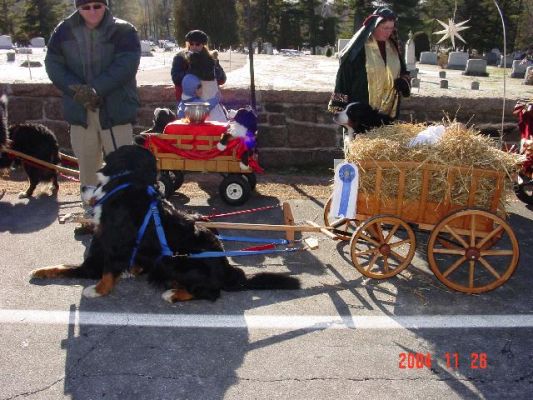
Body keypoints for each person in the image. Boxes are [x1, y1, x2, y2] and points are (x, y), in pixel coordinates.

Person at [45, 0, 141, 192]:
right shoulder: (63, 31)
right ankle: (90, 215)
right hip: (81, 112)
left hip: (115, 110)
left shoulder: (124, 30)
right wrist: (79, 91)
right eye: (86, 7)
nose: (92, 11)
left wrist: (96, 89)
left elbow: (126, 66)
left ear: (105, 6)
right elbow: (53, 65)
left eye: (97, 5)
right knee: (88, 168)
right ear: (78, 8)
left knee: (122, 169)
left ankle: (123, 216)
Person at [328, 7, 410, 128]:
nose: (388, 32)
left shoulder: (394, 47)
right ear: (374, 26)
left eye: (391, 28)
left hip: (388, 114)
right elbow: (343, 78)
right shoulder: (358, 48)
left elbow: (404, 71)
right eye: (385, 28)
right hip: (360, 113)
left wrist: (404, 81)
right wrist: (339, 107)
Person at [171, 30, 227, 121]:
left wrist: (213, 70)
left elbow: (222, 79)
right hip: (187, 102)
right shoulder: (180, 58)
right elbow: (176, 78)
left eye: (197, 44)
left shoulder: (210, 58)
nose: (194, 47)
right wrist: (192, 72)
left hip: (209, 101)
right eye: (191, 44)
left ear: (203, 45)